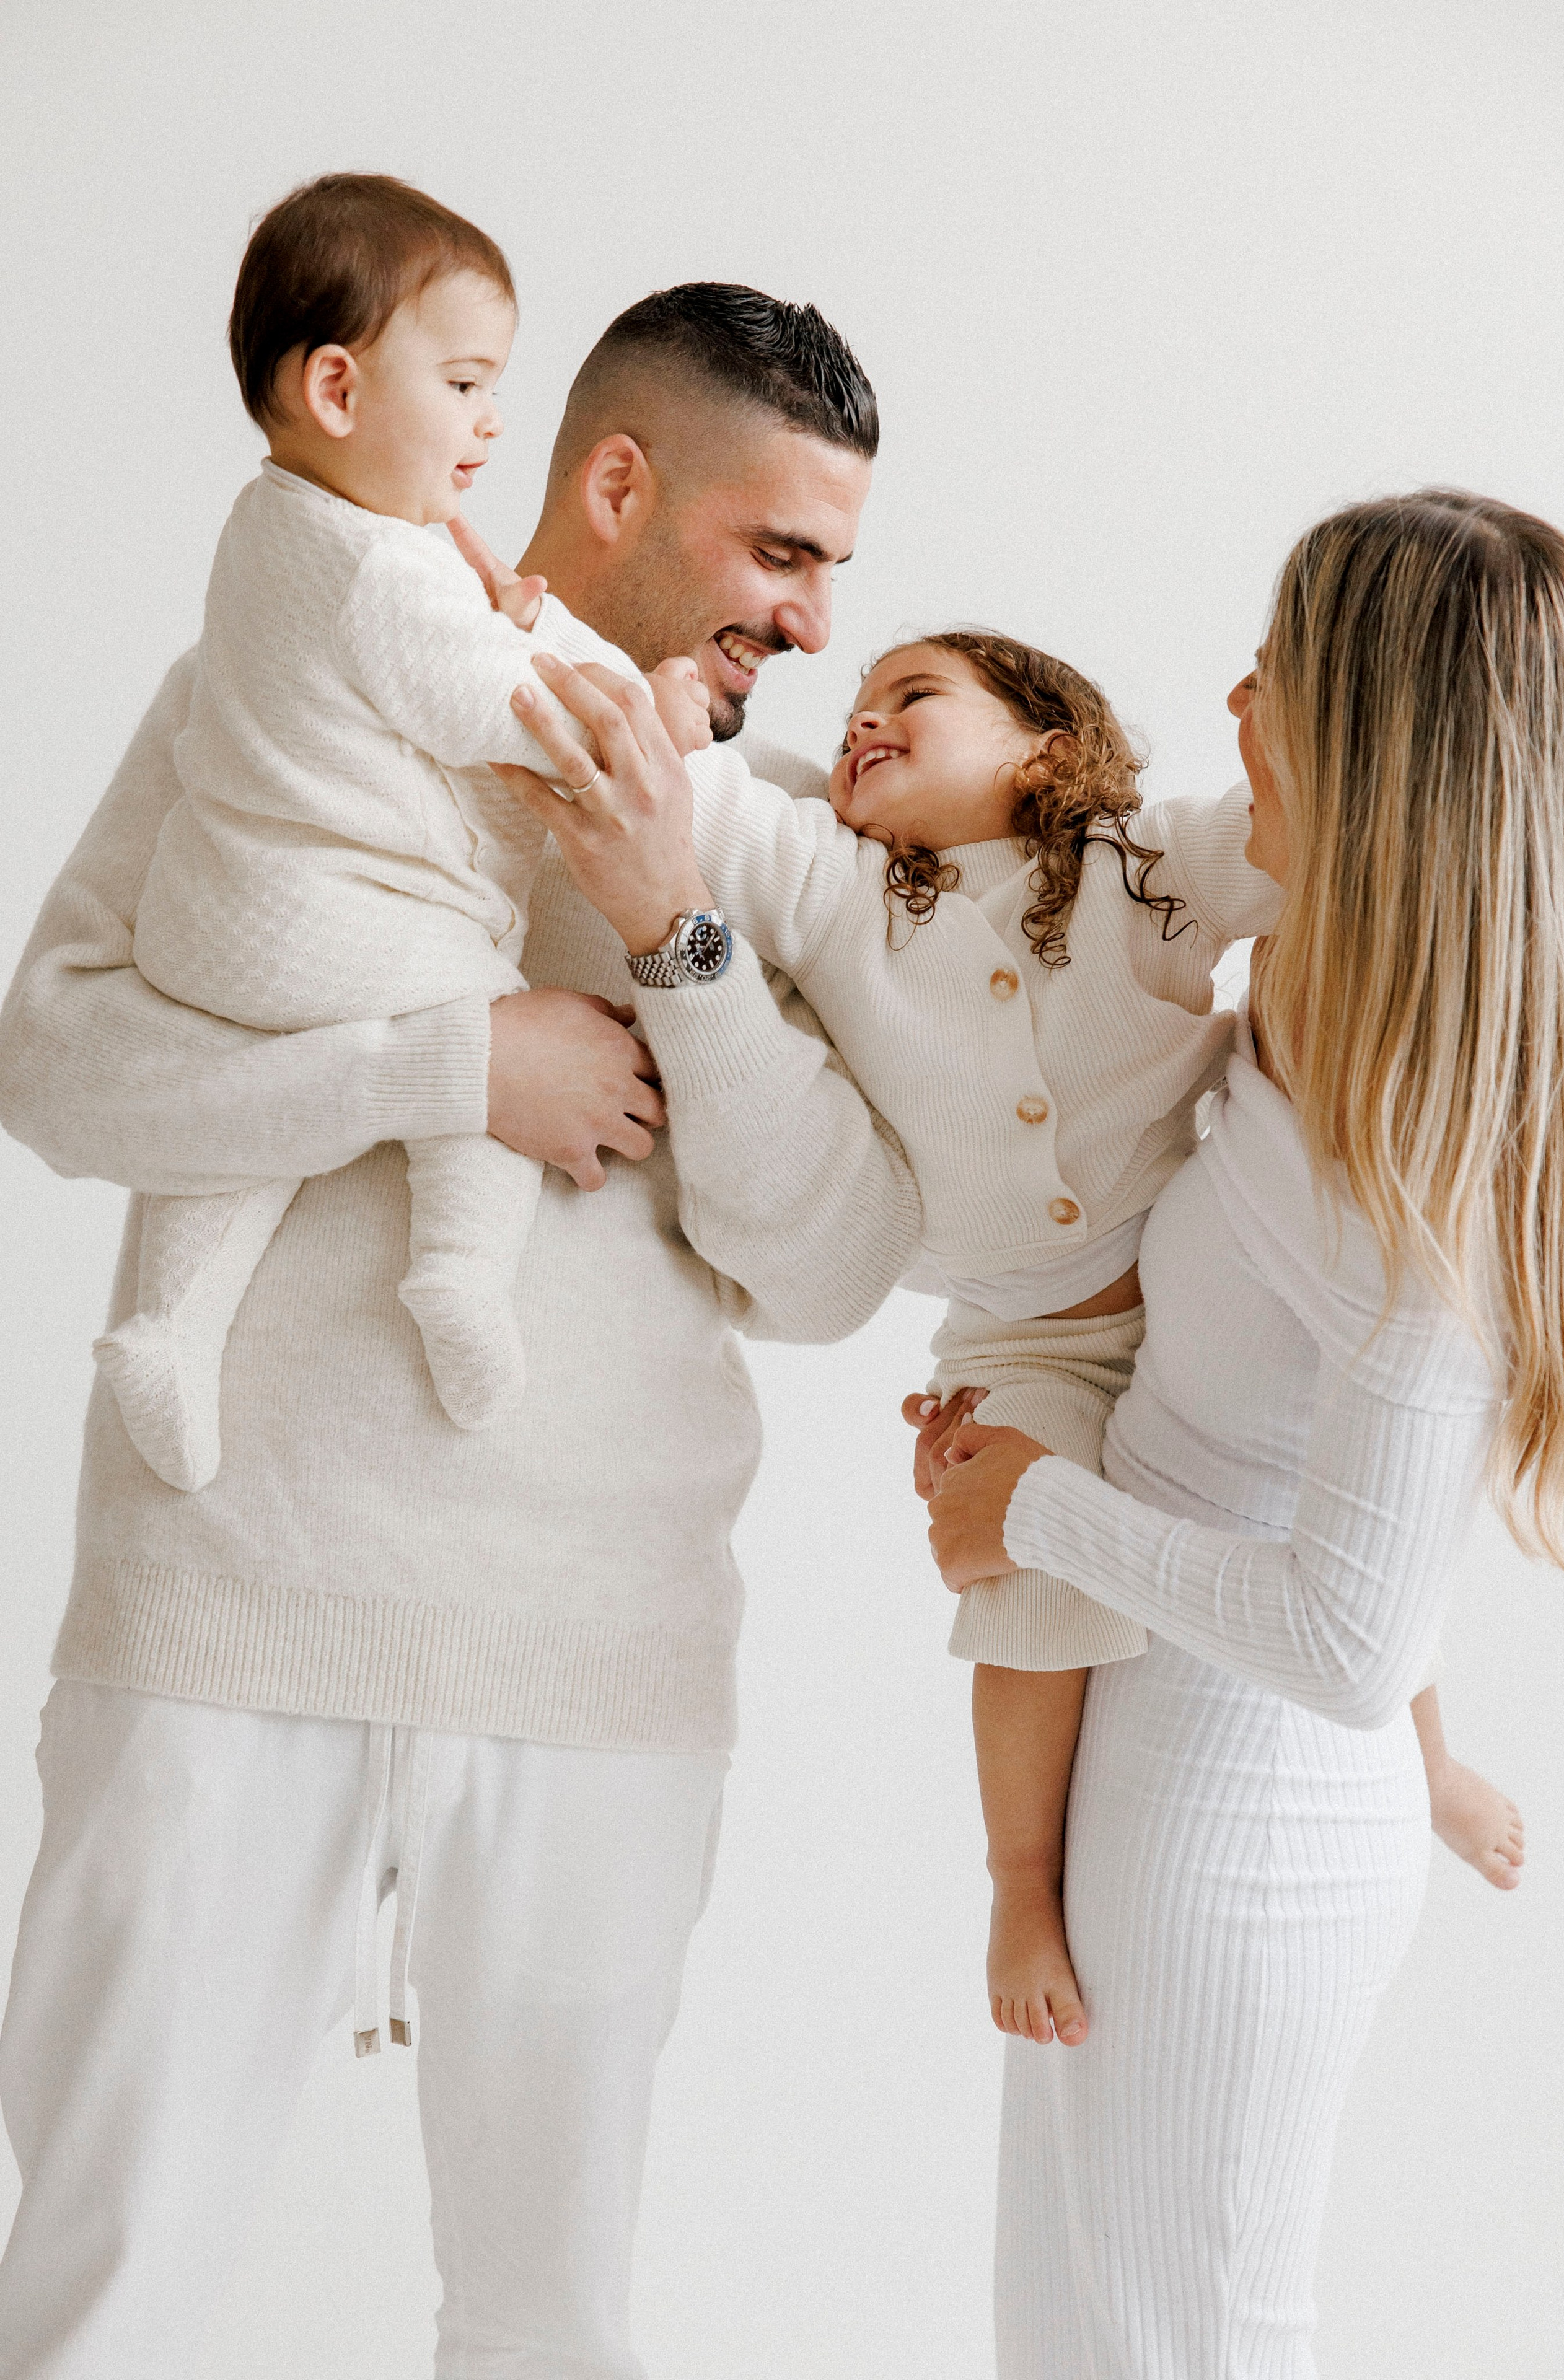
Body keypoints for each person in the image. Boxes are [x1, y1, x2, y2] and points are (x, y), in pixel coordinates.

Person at [0, 200, 913, 2378]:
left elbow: (831, 1261)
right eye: (783, 552)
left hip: (596, 1676)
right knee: (100, 2302)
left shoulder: (777, 840)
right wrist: (452, 1064)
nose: (814, 620)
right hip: (227, 1624)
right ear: (622, 485)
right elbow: (55, 1058)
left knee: (548, 2330)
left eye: (832, 571)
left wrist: (673, 930)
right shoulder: (282, 680)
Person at [493, 616, 1524, 2073]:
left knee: (1329, 1488)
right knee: (1025, 1597)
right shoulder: (839, 889)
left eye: (909, 696)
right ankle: (1020, 1884)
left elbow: (1322, 851)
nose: (862, 722)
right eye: (852, 713)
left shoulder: (1142, 865)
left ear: (1044, 748)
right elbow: (700, 805)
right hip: (1022, 1337)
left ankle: (1428, 1761)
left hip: (1183, 1277)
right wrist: (593, 667)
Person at [920, 490, 1564, 2376]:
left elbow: (1351, 1642)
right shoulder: (1313, 980)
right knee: (1076, 2332)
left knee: (1186, 2336)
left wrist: (1035, 1508)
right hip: (1153, 1772)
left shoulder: (1414, 1168)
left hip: (1245, 1826)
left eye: (1274, 679)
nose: (1231, 705)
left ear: (1363, 751)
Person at [94, 175, 714, 1493]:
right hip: (332, 925)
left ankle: (167, 1326)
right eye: (467, 384)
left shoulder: (271, 522)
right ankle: (459, 1277)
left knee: (239, 1147)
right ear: (337, 390)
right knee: (496, 1030)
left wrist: (499, 614)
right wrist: (639, 711)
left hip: (220, 926)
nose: (493, 422)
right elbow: (510, 708)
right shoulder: (386, 566)